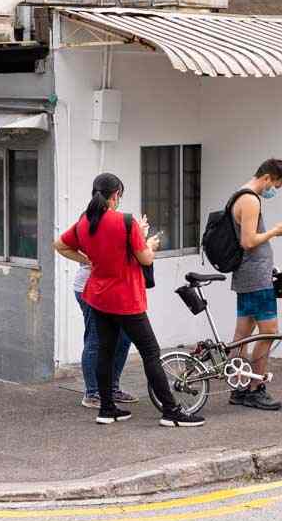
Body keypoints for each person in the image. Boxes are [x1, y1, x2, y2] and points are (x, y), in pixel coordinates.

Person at [54, 173, 204, 427]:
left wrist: (87, 260)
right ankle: (171, 411)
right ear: (116, 196)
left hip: (98, 297)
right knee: (151, 353)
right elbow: (145, 258)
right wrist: (151, 245)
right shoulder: (125, 221)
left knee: (105, 351)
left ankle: (107, 409)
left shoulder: (84, 222)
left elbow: (59, 245)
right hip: (126, 299)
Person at [228, 158, 282, 411]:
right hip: (255, 277)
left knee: (241, 335)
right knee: (269, 331)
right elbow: (248, 241)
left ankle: (240, 387)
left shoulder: (240, 195)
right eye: (276, 184)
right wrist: (274, 231)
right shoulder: (250, 199)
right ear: (267, 178)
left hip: (249, 275)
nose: (274, 190)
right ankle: (255, 389)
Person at [75, 260, 134, 408]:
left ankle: (111, 389)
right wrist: (88, 258)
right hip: (90, 288)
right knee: (95, 339)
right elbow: (62, 245)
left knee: (124, 338)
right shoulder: (87, 235)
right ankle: (92, 393)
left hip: (114, 288)